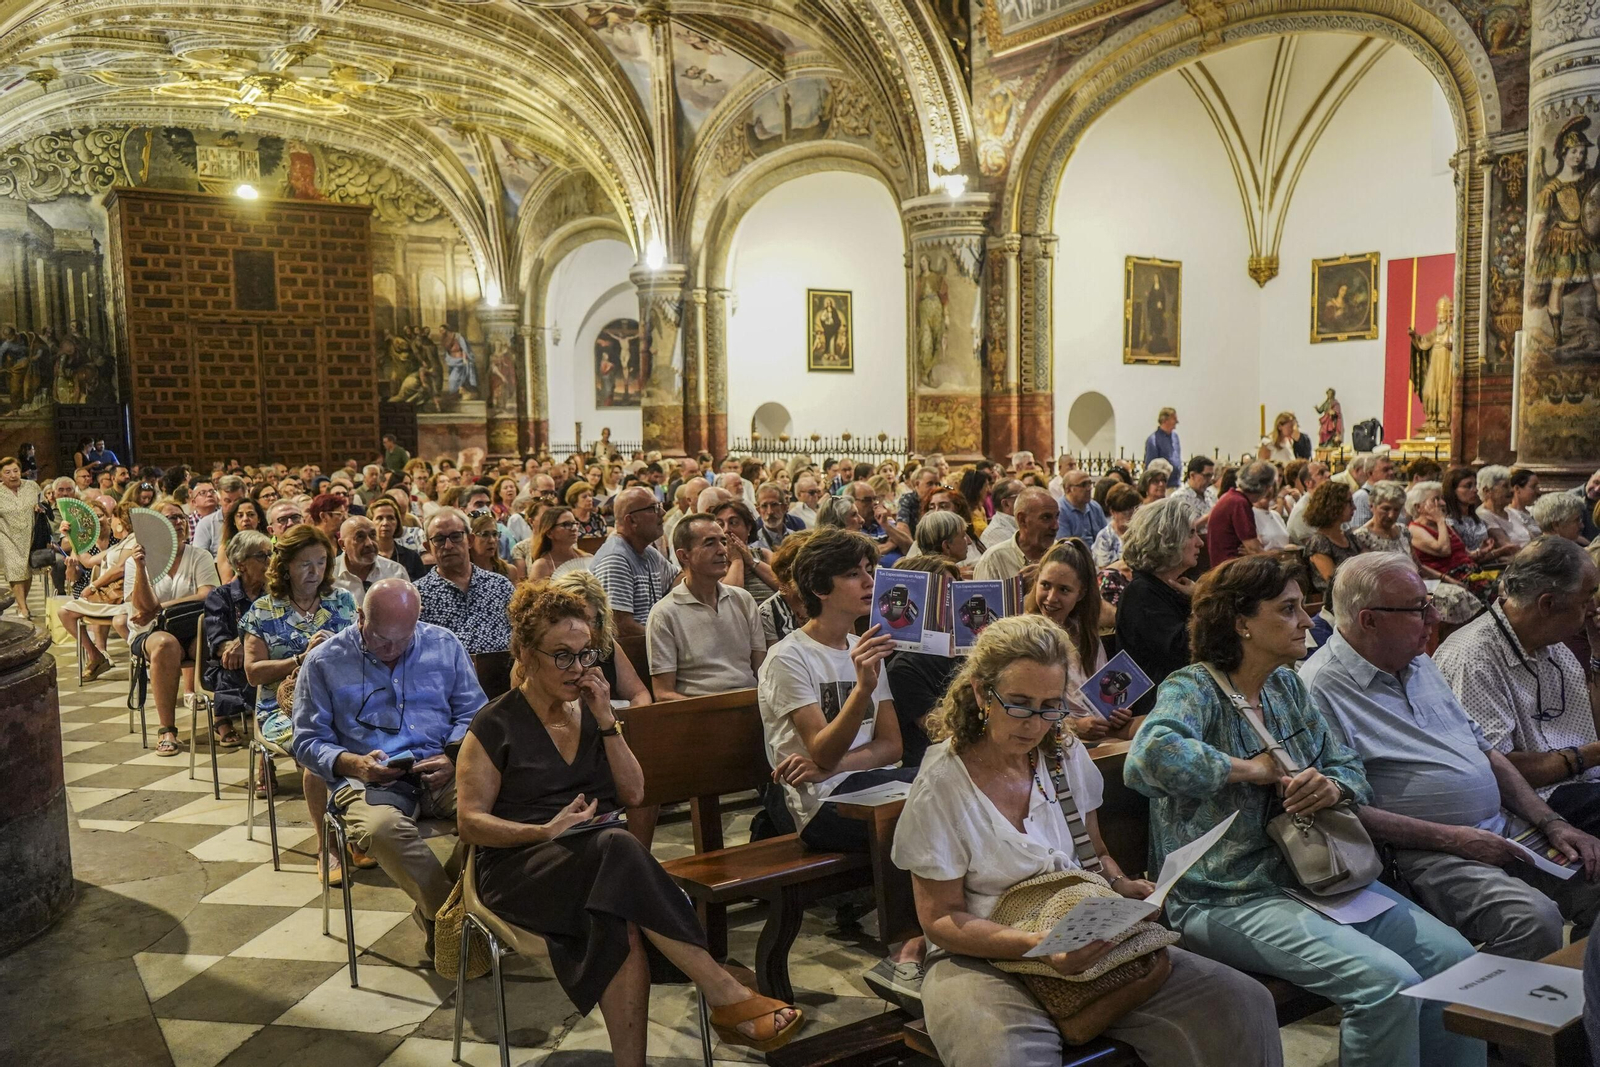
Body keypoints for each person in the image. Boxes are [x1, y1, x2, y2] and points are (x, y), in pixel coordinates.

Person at [1126, 554, 1485, 1067]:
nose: (1307, 621)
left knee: (1457, 962)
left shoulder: (1286, 686)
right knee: (1386, 984)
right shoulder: (1194, 688)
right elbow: (1148, 758)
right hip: (1224, 894)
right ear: (1240, 622)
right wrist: (1252, 769)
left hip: (1314, 879)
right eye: (1289, 608)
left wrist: (1330, 788)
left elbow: (1349, 769)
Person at [892, 613, 1282, 1067]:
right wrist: (1036, 944)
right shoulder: (943, 782)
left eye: (1051, 706)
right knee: (1006, 1057)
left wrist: (1120, 886)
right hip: (981, 953)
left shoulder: (1062, 752)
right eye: (1018, 704)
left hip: (1079, 930)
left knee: (1243, 1002)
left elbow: (1093, 852)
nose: (1035, 724)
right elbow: (940, 920)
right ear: (981, 692)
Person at [454, 581, 802, 1059]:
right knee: (617, 849)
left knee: (617, 917)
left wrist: (605, 720)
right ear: (524, 652)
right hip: (519, 867)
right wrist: (543, 831)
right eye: (562, 656)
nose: (577, 669)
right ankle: (723, 991)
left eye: (585, 655)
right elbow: (470, 823)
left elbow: (636, 792)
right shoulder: (495, 723)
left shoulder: (592, 712)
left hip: (596, 864)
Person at [1302, 553, 1600, 960]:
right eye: (1418, 608)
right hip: (1423, 850)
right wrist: (1455, 838)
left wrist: (1551, 822)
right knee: (1532, 920)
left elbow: (1486, 751)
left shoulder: (1417, 662)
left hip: (1503, 826)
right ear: (1369, 620)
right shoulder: (1319, 688)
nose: (1435, 616)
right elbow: (1340, 810)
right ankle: (1479, 1021)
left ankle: (1582, 1016)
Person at [293, 578, 483, 941]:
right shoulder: (325, 660)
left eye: (403, 639)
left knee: (503, 807)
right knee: (381, 829)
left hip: (441, 767)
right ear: (361, 617)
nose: (392, 649)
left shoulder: (443, 644)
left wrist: (452, 755)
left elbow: (475, 713)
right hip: (366, 776)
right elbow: (306, 741)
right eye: (381, 639)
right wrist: (354, 763)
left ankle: (437, 912)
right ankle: (457, 924)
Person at [758, 527, 917, 849]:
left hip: (869, 782)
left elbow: (891, 746)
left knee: (955, 786)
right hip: (822, 805)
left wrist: (833, 767)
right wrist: (861, 691)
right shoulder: (788, 657)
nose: (869, 582)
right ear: (820, 587)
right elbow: (823, 750)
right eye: (852, 574)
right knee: (941, 800)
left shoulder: (864, 646)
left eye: (869, 571)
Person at [1436, 538, 1600, 830]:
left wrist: (1598, 652)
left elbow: (1593, 727)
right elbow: (1498, 769)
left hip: (1582, 777)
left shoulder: (1551, 642)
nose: (1592, 610)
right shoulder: (1474, 658)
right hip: (1534, 800)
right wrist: (1590, 755)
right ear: (1547, 603)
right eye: (1585, 600)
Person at [241, 523, 358, 873]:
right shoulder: (264, 609)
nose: (315, 571)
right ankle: (328, 843)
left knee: (366, 737)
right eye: (306, 563)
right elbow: (253, 672)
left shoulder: (342, 601)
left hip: (338, 700)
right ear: (286, 565)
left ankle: (356, 831)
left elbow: (360, 657)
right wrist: (300, 659)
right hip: (280, 706)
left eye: (321, 562)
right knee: (317, 751)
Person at [125, 500, 221, 756]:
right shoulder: (136, 561)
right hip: (148, 632)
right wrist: (141, 568)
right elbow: (141, 607)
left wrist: (162, 606)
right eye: (170, 519)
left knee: (216, 641)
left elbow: (207, 595)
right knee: (165, 644)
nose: (178, 523)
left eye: (181, 518)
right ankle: (167, 729)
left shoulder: (198, 555)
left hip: (190, 629)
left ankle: (222, 717)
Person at [647, 514, 765, 701]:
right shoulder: (664, 613)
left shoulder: (743, 600)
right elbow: (663, 693)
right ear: (684, 556)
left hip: (750, 703)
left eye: (723, 542)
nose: (722, 551)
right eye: (710, 543)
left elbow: (762, 673)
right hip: (699, 712)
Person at [1028, 538, 1129, 743]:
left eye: (1064, 590)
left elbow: (1100, 698)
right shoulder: (1025, 637)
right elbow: (1024, 712)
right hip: (1052, 738)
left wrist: (1115, 712)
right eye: (1045, 585)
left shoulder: (1084, 634)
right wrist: (1074, 725)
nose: (1051, 598)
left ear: (1080, 593)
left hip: (1096, 732)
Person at [1114, 496, 1201, 715]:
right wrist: (1202, 601)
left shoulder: (1170, 587)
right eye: (1191, 533)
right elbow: (1188, 649)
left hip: (1182, 697)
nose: (1200, 542)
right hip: (1159, 707)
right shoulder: (1142, 593)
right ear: (1168, 540)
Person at [883, 556, 963, 770]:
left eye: (956, 592)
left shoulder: (968, 651)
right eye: (946, 595)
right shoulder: (903, 668)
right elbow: (944, 732)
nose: (955, 603)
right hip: (934, 770)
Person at [201, 529, 271, 751]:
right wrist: (233, 647)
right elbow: (218, 638)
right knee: (229, 665)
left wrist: (245, 645)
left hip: (263, 657)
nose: (270, 561)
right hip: (230, 663)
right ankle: (222, 719)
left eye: (271, 554)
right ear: (241, 564)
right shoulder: (220, 596)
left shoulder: (274, 593)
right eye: (262, 556)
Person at [416, 508, 514, 654]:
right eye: (439, 539)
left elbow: (524, 635)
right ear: (427, 547)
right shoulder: (417, 595)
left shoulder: (501, 586)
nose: (448, 546)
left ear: (470, 540)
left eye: (456, 536)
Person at [591, 486, 676, 639]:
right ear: (631, 520)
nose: (662, 513)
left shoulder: (648, 552)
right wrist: (668, 638)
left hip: (650, 645)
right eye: (653, 509)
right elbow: (620, 627)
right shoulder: (616, 559)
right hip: (633, 655)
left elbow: (678, 578)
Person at [975, 488, 1057, 581]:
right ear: (1022, 520)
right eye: (1046, 518)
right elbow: (983, 595)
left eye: (1057, 516)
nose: (1055, 526)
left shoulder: (1064, 555)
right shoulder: (994, 560)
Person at [1442, 466, 1517, 567]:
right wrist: (1499, 552)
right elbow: (1464, 558)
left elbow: (1484, 551)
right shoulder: (1450, 522)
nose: (1474, 490)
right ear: (1453, 491)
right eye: (1468, 486)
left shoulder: (1475, 518)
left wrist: (1487, 548)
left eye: (1475, 485)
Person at [1303, 480, 1362, 603]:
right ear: (1334, 505)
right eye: (1349, 503)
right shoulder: (1319, 542)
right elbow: (1333, 580)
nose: (1354, 507)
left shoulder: (1349, 537)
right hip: (1336, 602)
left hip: (1356, 595)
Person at [1209, 460, 1276, 565]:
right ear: (1267, 488)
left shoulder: (1230, 497)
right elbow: (1253, 549)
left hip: (1227, 566)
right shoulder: (1239, 503)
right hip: (1231, 569)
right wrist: (1277, 558)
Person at [714, 499, 780, 603]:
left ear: (748, 528)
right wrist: (737, 560)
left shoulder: (764, 554)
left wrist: (751, 561)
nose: (726, 529)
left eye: (733, 523)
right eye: (720, 524)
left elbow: (786, 587)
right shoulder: (714, 562)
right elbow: (730, 601)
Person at [0, 456, 41, 621]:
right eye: (7, 472)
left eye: (15, 471)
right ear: (1, 475)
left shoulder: (32, 486)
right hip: (7, 535)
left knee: (26, 570)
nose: (13, 475)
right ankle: (23, 607)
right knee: (15, 569)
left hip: (30, 534)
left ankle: (21, 602)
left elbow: (43, 504)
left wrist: (40, 508)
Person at [331, 516, 408, 600]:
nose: (369, 543)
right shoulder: (328, 575)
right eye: (360, 537)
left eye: (373, 535)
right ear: (343, 545)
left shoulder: (396, 572)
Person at [366, 496, 427, 580]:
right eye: (379, 518)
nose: (385, 523)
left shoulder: (411, 557)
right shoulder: (365, 557)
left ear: (397, 523)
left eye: (390, 518)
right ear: (370, 523)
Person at [906, 510, 976, 575]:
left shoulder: (911, 575)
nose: (969, 541)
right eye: (963, 536)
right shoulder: (945, 580)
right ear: (946, 546)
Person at [214, 497, 265, 584]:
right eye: (240, 515)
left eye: (251, 514)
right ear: (234, 521)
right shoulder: (225, 548)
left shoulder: (268, 543)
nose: (245, 519)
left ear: (259, 518)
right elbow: (227, 584)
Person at [1091, 483, 1140, 567]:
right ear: (1113, 512)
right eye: (1125, 513)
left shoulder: (1142, 533)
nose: (1131, 515)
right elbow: (1104, 570)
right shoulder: (1104, 537)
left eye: (1134, 510)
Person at [469, 509, 523, 583]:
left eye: (495, 534)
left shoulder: (509, 572)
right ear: (470, 539)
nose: (492, 540)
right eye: (485, 535)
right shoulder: (462, 574)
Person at [1053, 469, 1106, 542]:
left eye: (1090, 484)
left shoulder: (1095, 507)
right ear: (1068, 489)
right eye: (1083, 485)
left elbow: (1106, 537)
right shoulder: (1059, 510)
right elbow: (1064, 544)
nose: (1089, 488)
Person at [1143, 407, 1183, 485]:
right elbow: (1151, 466)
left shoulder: (1175, 437)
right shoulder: (1153, 440)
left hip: (1176, 482)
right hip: (1163, 485)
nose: (1176, 422)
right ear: (1165, 420)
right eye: (1174, 419)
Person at [979, 478, 1021, 550]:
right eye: (1022, 495)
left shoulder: (1018, 522)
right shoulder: (997, 532)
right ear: (1006, 504)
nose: (1029, 498)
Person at [1569, 468, 1600, 543]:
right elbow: (1565, 534)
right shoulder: (1569, 499)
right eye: (1596, 482)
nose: (1597, 489)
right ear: (1591, 477)